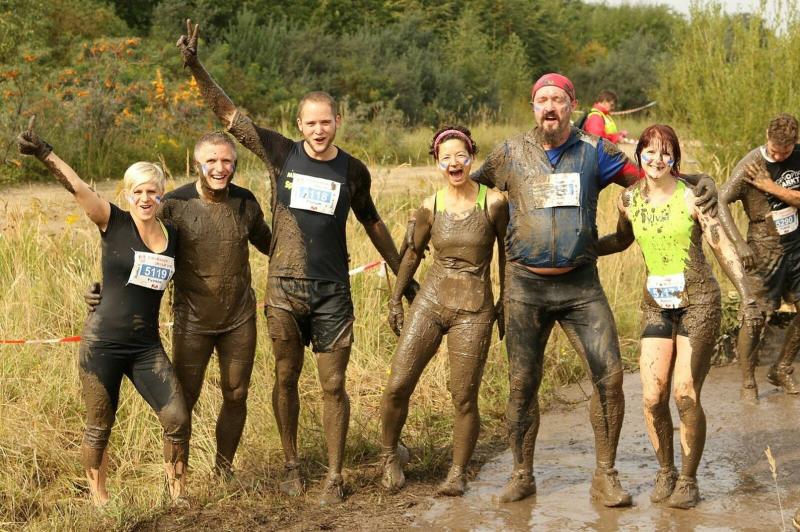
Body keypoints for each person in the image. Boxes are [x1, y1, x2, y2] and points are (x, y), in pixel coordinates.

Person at [176, 20, 415, 505]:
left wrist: (403, 276)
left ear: (337, 122)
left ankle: (334, 475)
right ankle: (291, 466)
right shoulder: (279, 152)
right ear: (299, 124)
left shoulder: (353, 170)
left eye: (326, 122)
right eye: (311, 123)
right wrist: (196, 66)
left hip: (332, 293)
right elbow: (228, 115)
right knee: (285, 378)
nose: (318, 130)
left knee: (333, 385)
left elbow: (372, 223)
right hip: (283, 292)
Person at [470, 73, 717, 506]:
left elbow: (652, 174)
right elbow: (471, 189)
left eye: (558, 100)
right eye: (543, 100)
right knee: (522, 383)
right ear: (533, 107)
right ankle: (522, 474)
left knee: (610, 378)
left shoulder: (595, 150)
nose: (550, 107)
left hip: (581, 286)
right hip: (525, 287)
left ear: (572, 105)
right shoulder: (508, 153)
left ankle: (605, 476)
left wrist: (699, 179)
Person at [18, 116, 190, 506]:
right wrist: (45, 153)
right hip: (103, 344)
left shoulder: (173, 236)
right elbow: (79, 188)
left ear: (162, 195)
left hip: (146, 347)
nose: (145, 198)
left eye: (152, 192)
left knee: (177, 417)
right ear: (127, 195)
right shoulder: (114, 220)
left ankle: (178, 497)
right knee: (99, 426)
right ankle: (100, 502)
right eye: (138, 191)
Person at [87, 131, 272, 479]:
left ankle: (224, 472)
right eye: (211, 160)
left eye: (227, 160)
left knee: (236, 393)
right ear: (197, 163)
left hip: (239, 319)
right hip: (192, 322)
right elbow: (137, 248)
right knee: (183, 402)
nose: (220, 167)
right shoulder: (173, 204)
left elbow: (271, 244)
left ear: (235, 163)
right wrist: (102, 293)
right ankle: (177, 484)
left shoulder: (246, 202)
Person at [597, 124, 761, 509]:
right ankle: (665, 471)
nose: (657, 159)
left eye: (665, 152)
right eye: (650, 152)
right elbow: (622, 239)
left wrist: (748, 295)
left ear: (675, 158)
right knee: (652, 396)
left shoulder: (692, 196)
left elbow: (721, 246)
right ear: (639, 155)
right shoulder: (628, 199)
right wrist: (585, 248)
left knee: (684, 393)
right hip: (656, 304)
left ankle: (688, 480)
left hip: (698, 301)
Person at [380, 126, 508, 496]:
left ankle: (457, 472)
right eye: (446, 157)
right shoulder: (429, 206)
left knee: (464, 395)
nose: (454, 163)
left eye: (461, 156)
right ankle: (389, 455)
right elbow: (413, 254)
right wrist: (395, 299)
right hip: (431, 301)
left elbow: (508, 255)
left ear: (471, 158)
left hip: (474, 308)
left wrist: (506, 303)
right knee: (397, 384)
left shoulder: (494, 203)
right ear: (437, 162)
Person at [718, 113, 800, 400]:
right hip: (761, 248)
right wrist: (739, 244)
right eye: (774, 150)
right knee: (755, 316)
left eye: (785, 152)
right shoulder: (751, 163)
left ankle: (782, 368)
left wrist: (772, 187)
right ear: (766, 136)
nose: (778, 156)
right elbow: (721, 200)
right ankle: (748, 382)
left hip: (795, 245)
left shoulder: (798, 156)